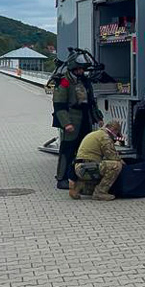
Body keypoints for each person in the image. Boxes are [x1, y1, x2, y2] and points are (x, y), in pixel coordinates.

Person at [52, 54, 103, 190]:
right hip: (72, 120)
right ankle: (61, 178)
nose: (81, 71)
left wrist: (98, 117)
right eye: (79, 69)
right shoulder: (64, 82)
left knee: (84, 150)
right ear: (73, 68)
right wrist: (66, 123)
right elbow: (59, 105)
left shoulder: (84, 81)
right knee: (67, 151)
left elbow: (91, 102)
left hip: (85, 119)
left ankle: (80, 177)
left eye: (82, 69)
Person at [71, 120, 125, 201]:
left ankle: (81, 187)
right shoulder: (105, 137)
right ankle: (100, 192)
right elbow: (113, 156)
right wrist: (124, 163)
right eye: (117, 133)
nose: (117, 136)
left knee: (103, 165)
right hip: (86, 168)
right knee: (116, 165)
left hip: (80, 167)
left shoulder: (96, 134)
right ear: (114, 130)